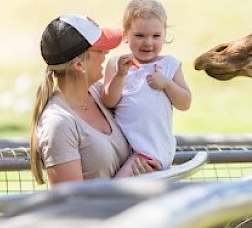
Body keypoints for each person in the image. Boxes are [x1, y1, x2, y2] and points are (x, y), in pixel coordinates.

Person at [30, 14, 159, 186]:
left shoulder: (101, 94)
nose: (107, 52)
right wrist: (125, 180)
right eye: (100, 48)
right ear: (79, 65)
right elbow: (72, 204)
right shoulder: (58, 124)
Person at [102, 0, 192, 170]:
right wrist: (120, 75)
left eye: (156, 36)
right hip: (122, 148)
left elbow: (185, 103)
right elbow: (109, 101)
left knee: (116, 190)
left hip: (151, 150)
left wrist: (167, 84)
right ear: (125, 35)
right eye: (140, 35)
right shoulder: (117, 64)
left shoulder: (169, 65)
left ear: (165, 35)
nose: (148, 42)